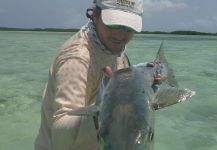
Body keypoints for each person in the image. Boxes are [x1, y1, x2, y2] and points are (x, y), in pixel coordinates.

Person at [34, 0, 144, 150]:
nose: (121, 35)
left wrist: (142, 98)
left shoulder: (114, 46)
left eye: (128, 26)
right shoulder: (76, 59)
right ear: (95, 15)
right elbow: (60, 135)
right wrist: (106, 110)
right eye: (114, 24)